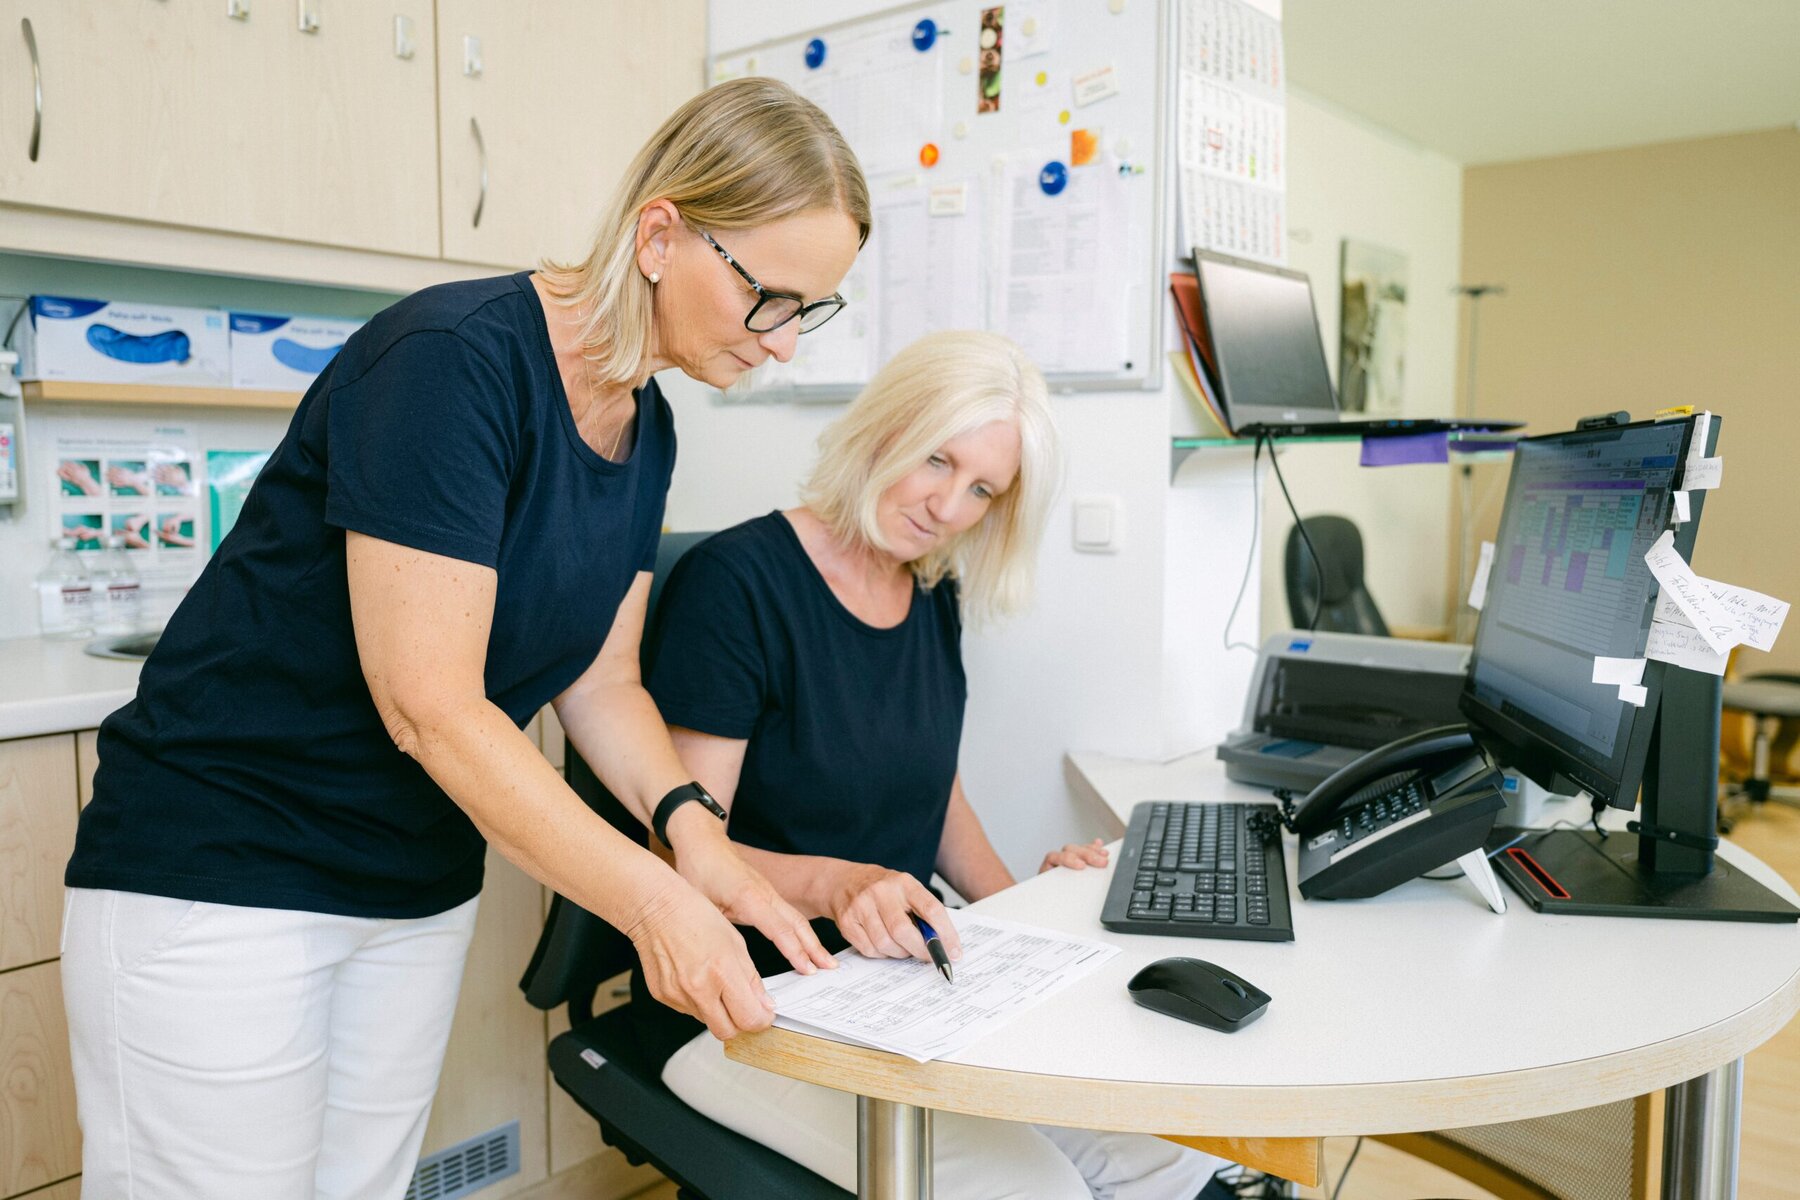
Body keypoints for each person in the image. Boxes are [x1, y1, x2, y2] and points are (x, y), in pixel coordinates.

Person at [60, 77, 867, 1200]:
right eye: (768, 299)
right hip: (227, 866)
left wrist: (696, 834)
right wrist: (655, 905)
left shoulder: (648, 426)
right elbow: (429, 704)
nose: (782, 347)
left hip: (410, 880)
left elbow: (603, 678)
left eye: (808, 312)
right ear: (659, 235)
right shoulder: (450, 361)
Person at [631, 331, 1231, 1198]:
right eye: (937, 461)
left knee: (1168, 1153)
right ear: (885, 428)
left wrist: (1027, 916)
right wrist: (840, 885)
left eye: (982, 489)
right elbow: (682, 854)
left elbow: (933, 794)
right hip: (743, 997)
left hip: (901, 978)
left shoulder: (929, 590)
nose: (949, 507)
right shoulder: (736, 584)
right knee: (1039, 1193)